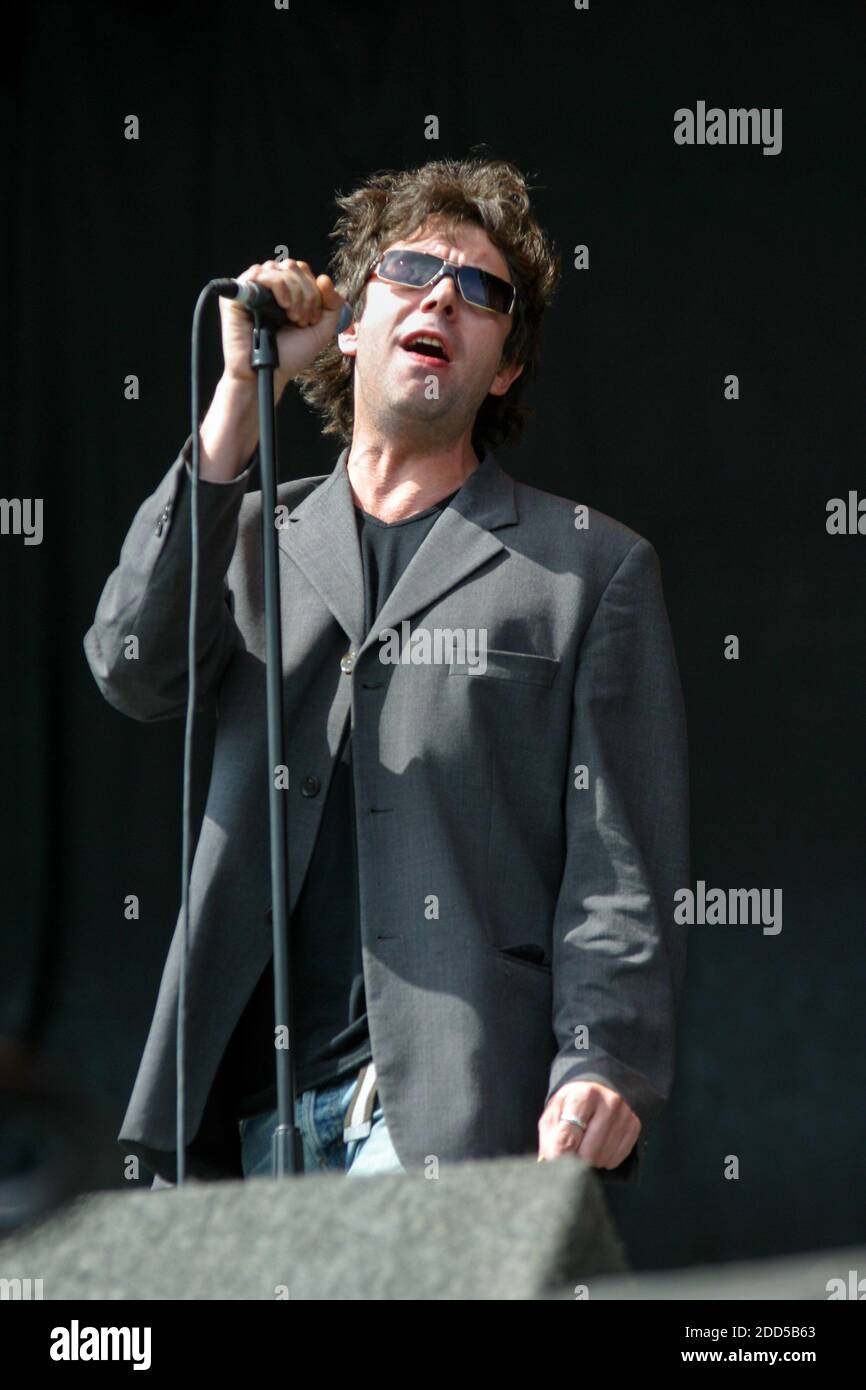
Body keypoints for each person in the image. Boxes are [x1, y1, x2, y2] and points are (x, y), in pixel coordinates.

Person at [83, 156, 690, 1189]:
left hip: (441, 1111)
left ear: (500, 368)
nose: (444, 295)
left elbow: (618, 862)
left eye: (482, 291)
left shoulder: (586, 567)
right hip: (243, 1122)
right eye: (409, 270)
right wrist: (241, 390)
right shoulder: (250, 536)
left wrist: (602, 1058)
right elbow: (131, 664)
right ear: (353, 324)